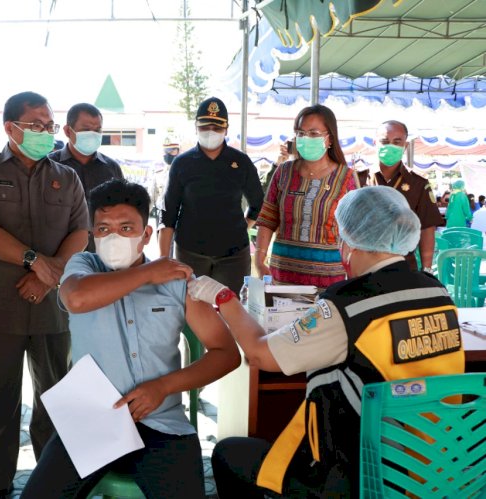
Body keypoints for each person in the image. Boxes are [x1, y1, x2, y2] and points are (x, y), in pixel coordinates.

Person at [188, 186, 465, 498]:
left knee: (229, 454)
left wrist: (225, 298)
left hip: (362, 477)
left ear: (349, 241)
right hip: (435, 469)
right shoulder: (436, 291)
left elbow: (261, 355)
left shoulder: (348, 304)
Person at [21, 178, 240, 498]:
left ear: (146, 235)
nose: (113, 237)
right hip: (92, 419)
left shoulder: (176, 282)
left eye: (126, 228)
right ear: (92, 234)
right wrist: (148, 273)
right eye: (104, 229)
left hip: (162, 423)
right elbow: (77, 299)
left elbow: (226, 353)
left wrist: (163, 387)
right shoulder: (83, 266)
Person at [0, 91, 89, 498]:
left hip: (53, 307)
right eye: (36, 125)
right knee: (0, 401)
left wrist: (48, 276)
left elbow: (79, 233)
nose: (46, 132)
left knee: (55, 398)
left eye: (49, 125)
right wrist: (35, 260)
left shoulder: (67, 177)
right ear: (10, 127)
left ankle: (49, 484)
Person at [159, 96, 264, 291]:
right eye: (205, 127)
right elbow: (168, 215)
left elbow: (258, 203)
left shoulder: (241, 162)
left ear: (226, 129)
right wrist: (163, 261)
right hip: (190, 253)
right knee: (191, 310)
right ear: (196, 127)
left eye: (217, 128)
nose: (210, 132)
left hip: (233, 256)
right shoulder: (182, 164)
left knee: (233, 309)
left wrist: (242, 225)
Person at [255, 104, 359, 288]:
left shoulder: (347, 178)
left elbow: (354, 231)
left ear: (330, 139)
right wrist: (259, 260)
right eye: (300, 133)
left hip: (328, 280)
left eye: (313, 133)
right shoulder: (283, 172)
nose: (305, 139)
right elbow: (268, 219)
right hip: (281, 277)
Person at [358, 120, 443, 273]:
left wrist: (427, 270)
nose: (390, 146)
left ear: (405, 146)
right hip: (363, 266)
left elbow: (427, 229)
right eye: (384, 141)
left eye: (397, 142)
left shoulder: (418, 184)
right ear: (374, 142)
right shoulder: (358, 180)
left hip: (404, 267)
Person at [48, 102, 123, 251]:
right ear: (68, 131)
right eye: (86, 130)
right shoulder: (49, 166)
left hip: (103, 253)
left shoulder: (111, 168)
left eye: (98, 130)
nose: (93, 135)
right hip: (59, 254)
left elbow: (123, 211)